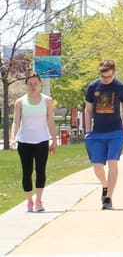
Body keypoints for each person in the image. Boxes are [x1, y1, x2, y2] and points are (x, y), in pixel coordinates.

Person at [83, 59, 123, 210]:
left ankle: (108, 198)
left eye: (108, 76)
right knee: (98, 167)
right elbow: (87, 109)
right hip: (97, 132)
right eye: (103, 76)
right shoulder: (93, 87)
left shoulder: (120, 87)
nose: (105, 79)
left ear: (113, 72)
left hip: (116, 131)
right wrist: (87, 130)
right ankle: (105, 185)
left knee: (112, 161)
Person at [14, 72, 54, 214]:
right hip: (25, 141)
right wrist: (13, 138)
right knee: (27, 172)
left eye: (35, 83)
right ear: (27, 85)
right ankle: (29, 201)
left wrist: (54, 140)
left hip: (42, 140)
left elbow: (50, 121)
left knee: (41, 170)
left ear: (39, 84)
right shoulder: (20, 102)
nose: (33, 86)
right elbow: (16, 122)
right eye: (30, 83)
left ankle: (39, 200)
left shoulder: (47, 101)